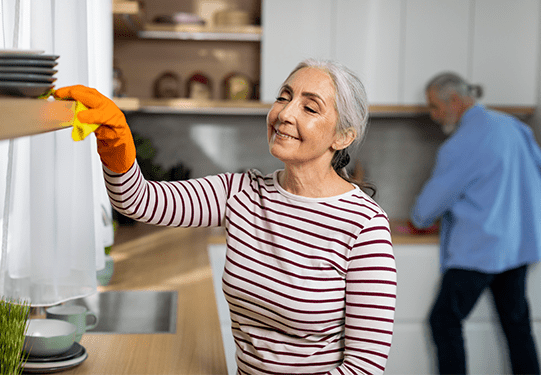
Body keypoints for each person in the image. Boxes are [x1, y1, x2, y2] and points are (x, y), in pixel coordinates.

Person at [56, 59, 397, 374]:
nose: (285, 114)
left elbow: (364, 366)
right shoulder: (241, 193)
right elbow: (139, 201)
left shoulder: (364, 226)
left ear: (343, 136)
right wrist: (116, 143)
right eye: (283, 97)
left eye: (309, 107)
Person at [410, 72, 541, 374]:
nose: (434, 116)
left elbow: (425, 210)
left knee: (443, 321)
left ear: (454, 100)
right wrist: (519, 209)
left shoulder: (461, 144)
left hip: (478, 252)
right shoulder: (512, 126)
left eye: (435, 107)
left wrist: (419, 220)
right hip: (517, 249)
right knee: (517, 327)